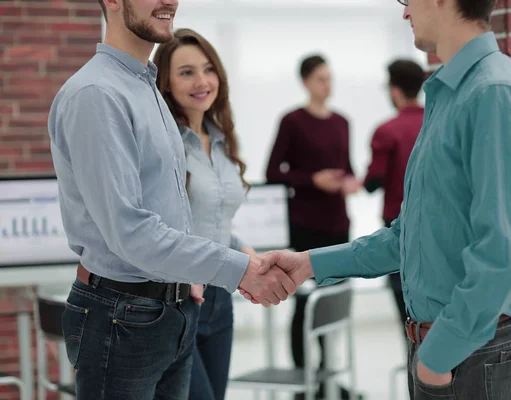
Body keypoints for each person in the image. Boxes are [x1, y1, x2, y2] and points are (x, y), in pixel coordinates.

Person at [245, 0, 511, 398]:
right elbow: (408, 237)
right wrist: (308, 263)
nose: (404, 13)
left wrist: (436, 357)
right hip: (442, 348)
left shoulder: (494, 94)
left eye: (407, 0)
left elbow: (504, 257)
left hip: (465, 353)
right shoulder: (449, 95)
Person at [48, 1, 295, 399]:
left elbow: (175, 217)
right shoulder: (97, 94)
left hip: (175, 309)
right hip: (122, 314)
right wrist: (238, 268)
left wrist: (240, 259)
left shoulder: (144, 87)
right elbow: (130, 232)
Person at [153, 28, 256, 400]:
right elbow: (158, 223)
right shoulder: (164, 143)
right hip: (178, 298)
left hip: (220, 297)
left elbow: (210, 220)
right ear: (165, 82)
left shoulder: (222, 138)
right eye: (186, 72)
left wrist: (245, 250)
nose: (202, 81)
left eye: (208, 69)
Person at [265, 54, 362, 400]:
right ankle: (305, 383)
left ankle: (329, 380)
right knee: (304, 305)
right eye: (321, 79)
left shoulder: (342, 122)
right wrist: (313, 181)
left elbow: (346, 168)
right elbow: (274, 171)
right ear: (305, 81)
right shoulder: (292, 121)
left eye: (330, 78)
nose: (328, 85)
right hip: (306, 226)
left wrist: (351, 182)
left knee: (332, 305)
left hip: (338, 225)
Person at [362, 59, 425, 335]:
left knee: (408, 319)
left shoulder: (387, 131)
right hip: (436, 225)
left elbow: (372, 182)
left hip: (398, 229)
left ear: (394, 90)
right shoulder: (435, 119)